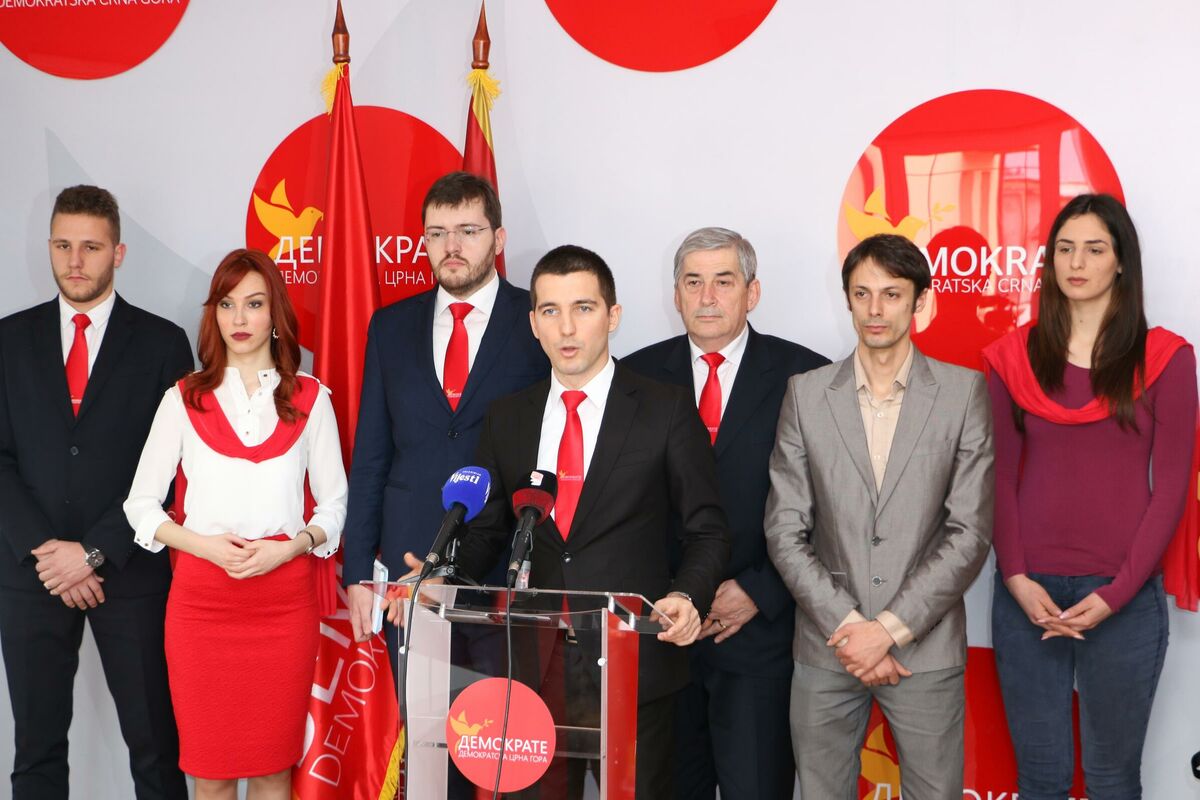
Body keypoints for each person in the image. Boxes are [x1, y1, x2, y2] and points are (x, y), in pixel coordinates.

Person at [451, 244, 730, 797]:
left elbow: (708, 529)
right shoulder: (508, 417)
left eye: (583, 308)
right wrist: (443, 576)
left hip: (636, 660)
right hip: (536, 665)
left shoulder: (665, 408)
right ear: (533, 323)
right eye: (550, 311)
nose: (566, 327)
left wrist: (688, 595)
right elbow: (488, 532)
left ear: (613, 315)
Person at [981, 193, 1196, 799]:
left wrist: (1116, 595)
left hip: (1124, 597)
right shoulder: (1011, 358)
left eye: (1095, 249)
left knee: (1111, 778)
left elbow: (1171, 489)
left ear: (1121, 261)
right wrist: (1017, 579)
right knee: (1040, 780)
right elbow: (998, 477)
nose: (1076, 263)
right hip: (1029, 598)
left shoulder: (1167, 359)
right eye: (1065, 249)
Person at [765, 232, 994, 799]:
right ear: (846, 298)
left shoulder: (963, 394)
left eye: (892, 294)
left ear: (921, 301)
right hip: (827, 646)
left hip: (924, 646)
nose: (875, 309)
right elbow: (785, 529)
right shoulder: (806, 395)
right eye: (862, 294)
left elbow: (969, 532)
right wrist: (851, 630)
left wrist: (887, 631)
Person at [123, 249, 347, 800]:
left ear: (275, 314)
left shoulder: (312, 398)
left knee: (273, 772)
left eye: (254, 303)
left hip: (283, 608)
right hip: (202, 609)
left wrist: (289, 548)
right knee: (212, 775)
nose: (239, 318)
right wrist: (205, 547)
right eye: (227, 305)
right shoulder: (183, 398)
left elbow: (334, 508)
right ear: (214, 314)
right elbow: (141, 506)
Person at [622, 226, 828, 799]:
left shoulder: (807, 377)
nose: (707, 297)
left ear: (752, 293)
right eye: (693, 282)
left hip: (758, 638)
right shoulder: (632, 378)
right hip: (661, 638)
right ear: (676, 295)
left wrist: (761, 591)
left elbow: (835, 510)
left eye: (724, 281)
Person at [0, 185, 191, 800]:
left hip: (129, 572)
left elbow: (169, 469)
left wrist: (93, 552)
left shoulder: (163, 344)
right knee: (35, 752)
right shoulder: (8, 339)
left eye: (90, 247)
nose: (75, 261)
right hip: (31, 574)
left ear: (119, 253)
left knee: (156, 751)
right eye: (62, 245)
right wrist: (47, 551)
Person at [343, 171, 549, 649]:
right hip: (408, 565)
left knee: (502, 699)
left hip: (504, 563)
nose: (451, 246)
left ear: (498, 239)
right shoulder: (390, 327)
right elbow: (371, 455)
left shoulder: (536, 321)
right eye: (437, 234)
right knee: (418, 699)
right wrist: (357, 571)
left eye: (468, 231)